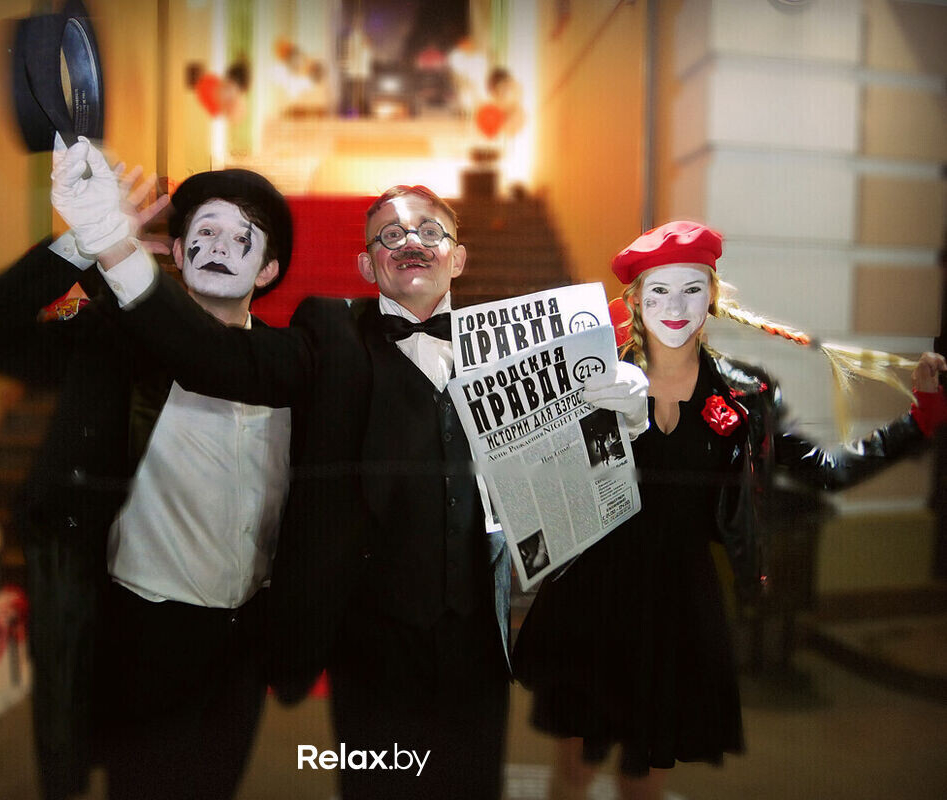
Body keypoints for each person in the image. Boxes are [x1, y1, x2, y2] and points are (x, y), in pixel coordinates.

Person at [50, 145, 650, 799]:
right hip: (371, 651)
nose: (410, 242)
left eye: (430, 231)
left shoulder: (516, 348)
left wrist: (621, 420)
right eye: (389, 234)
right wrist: (113, 245)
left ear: (458, 258)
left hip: (478, 646)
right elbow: (215, 358)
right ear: (367, 264)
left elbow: (579, 484)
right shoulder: (330, 334)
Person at [511, 220, 947, 800]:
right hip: (594, 595)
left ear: (712, 296)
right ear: (635, 300)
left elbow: (824, 469)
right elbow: (540, 484)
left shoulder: (744, 396)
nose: (675, 307)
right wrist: (588, 419)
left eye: (692, 289)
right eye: (659, 291)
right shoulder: (594, 380)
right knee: (574, 772)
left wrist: (919, 420)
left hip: (678, 605)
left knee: (643, 779)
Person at [0, 143, 294, 800]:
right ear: (177, 252)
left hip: (243, 640)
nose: (219, 245)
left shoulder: (293, 365)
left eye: (242, 235)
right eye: (204, 231)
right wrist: (82, 244)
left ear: (269, 268)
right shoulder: (110, 342)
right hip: (139, 630)